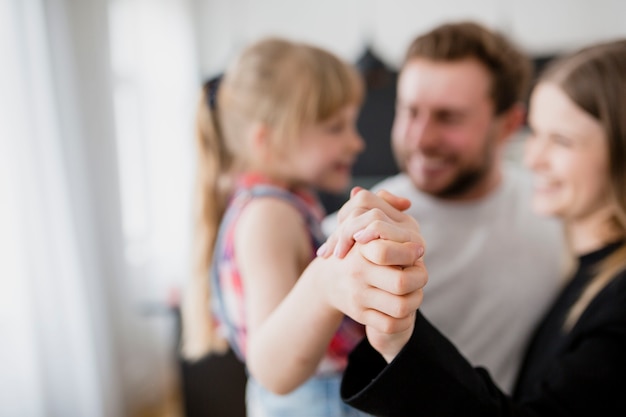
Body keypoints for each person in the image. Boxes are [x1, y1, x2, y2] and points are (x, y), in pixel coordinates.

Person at [337, 38, 626, 416]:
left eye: (562, 140)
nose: (534, 158)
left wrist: (400, 336)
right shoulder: (588, 270)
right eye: (536, 133)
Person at [179, 37, 427, 417]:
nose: (356, 142)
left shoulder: (281, 204)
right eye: (335, 127)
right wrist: (326, 285)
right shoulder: (269, 216)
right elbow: (272, 369)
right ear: (267, 140)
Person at [323, 21, 567, 392]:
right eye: (410, 111)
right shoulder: (361, 227)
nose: (420, 139)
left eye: (448, 117)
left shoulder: (556, 212)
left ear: (509, 124)